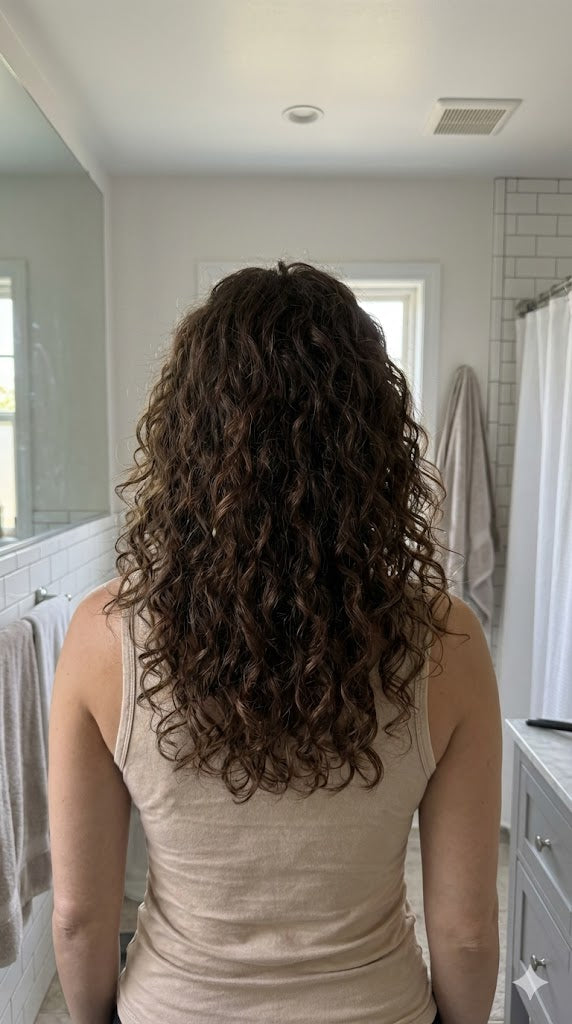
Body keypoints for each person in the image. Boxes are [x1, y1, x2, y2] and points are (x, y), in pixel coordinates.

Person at [48, 261, 502, 1024]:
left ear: (186, 438)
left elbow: (78, 918)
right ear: (375, 445)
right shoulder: (447, 639)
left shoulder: (103, 634)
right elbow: (466, 930)